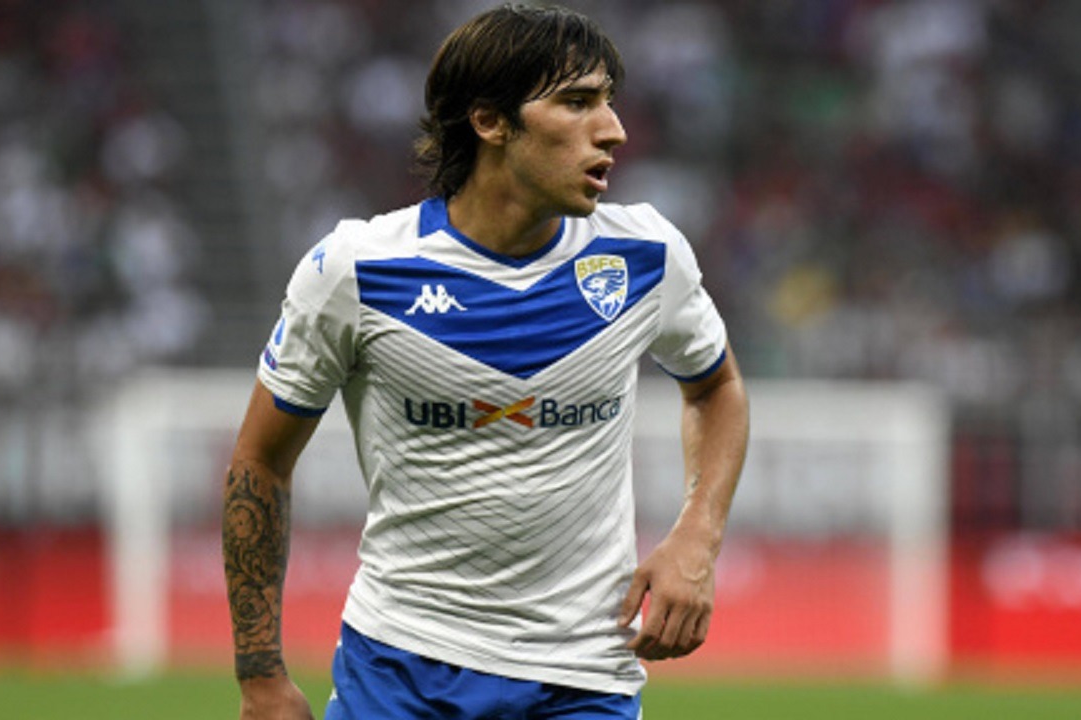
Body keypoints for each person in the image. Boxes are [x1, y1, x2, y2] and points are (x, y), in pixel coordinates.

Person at [222, 4, 749, 718]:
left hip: (586, 674)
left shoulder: (646, 257)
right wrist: (260, 675)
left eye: (609, 101)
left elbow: (716, 387)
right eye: (577, 103)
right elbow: (260, 460)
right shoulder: (359, 270)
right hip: (402, 668)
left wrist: (697, 537)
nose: (613, 129)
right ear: (490, 121)